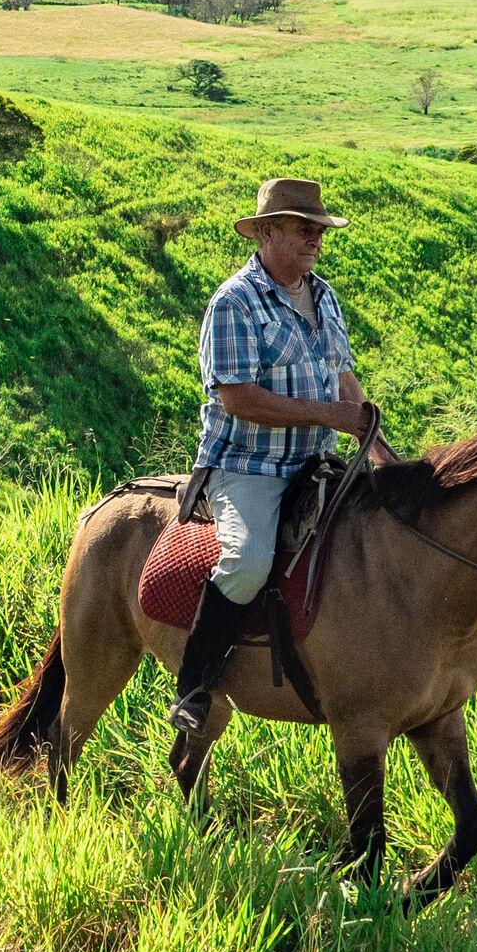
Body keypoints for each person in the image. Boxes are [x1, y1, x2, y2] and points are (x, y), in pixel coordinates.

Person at [168, 178, 382, 735]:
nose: (315, 239)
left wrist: (377, 447)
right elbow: (237, 398)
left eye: (319, 231)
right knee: (248, 560)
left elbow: (341, 376)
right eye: (302, 229)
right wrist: (328, 416)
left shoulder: (324, 295)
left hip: (318, 463)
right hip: (248, 466)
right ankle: (194, 685)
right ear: (265, 233)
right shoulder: (234, 302)